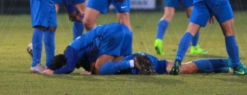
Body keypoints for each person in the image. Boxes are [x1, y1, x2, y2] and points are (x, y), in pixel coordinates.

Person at [41, 23, 133, 75]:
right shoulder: (79, 53)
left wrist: (54, 72)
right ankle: (139, 61)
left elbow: (69, 67)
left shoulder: (70, 51)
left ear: (62, 63)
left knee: (100, 70)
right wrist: (90, 71)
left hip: (111, 33)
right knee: (119, 65)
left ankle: (133, 63)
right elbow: (90, 51)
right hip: (125, 30)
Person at [51, 51, 235, 75]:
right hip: (143, 57)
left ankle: (228, 62)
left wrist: (136, 64)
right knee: (187, 67)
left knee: (187, 69)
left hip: (142, 62)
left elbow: (121, 65)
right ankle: (227, 65)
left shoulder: (102, 67)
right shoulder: (99, 60)